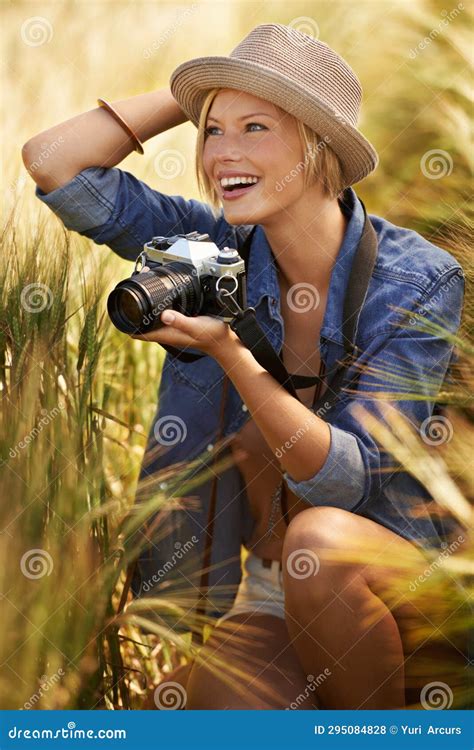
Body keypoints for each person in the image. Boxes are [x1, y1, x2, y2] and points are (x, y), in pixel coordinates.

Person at [23, 23, 466, 710]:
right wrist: (191, 94)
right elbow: (55, 164)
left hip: (393, 568)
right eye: (212, 132)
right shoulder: (211, 248)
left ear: (318, 147)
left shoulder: (418, 280)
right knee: (200, 714)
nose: (222, 154)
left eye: (255, 127)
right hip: (272, 583)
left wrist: (229, 353)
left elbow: (344, 481)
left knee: (317, 544)